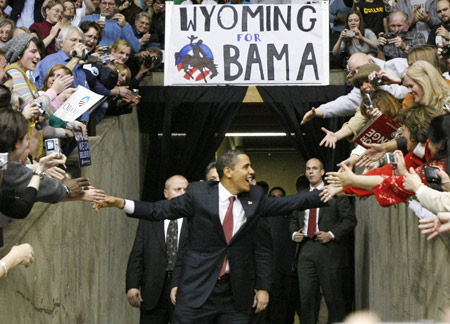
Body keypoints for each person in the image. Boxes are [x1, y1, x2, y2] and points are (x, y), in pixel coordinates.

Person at [94, 149, 326, 324]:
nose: (251, 171)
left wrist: (335, 189)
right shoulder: (198, 194)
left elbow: (291, 202)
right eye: (246, 167)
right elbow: (158, 210)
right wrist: (120, 203)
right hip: (198, 290)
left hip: (235, 294)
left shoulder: (254, 196)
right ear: (228, 172)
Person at [290, 158, 356, 324]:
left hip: (329, 249)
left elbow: (350, 220)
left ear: (322, 172)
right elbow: (292, 220)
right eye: (308, 169)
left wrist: (332, 234)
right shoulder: (301, 196)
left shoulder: (336, 192)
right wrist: (294, 234)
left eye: (314, 168)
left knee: (334, 298)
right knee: (306, 299)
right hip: (305, 249)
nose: (311, 172)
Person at [126, 175, 189, 324]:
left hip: (184, 288)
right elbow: (137, 254)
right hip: (153, 289)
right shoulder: (149, 219)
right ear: (166, 193)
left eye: (186, 190)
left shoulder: (195, 219)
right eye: (177, 189)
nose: (182, 193)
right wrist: (132, 285)